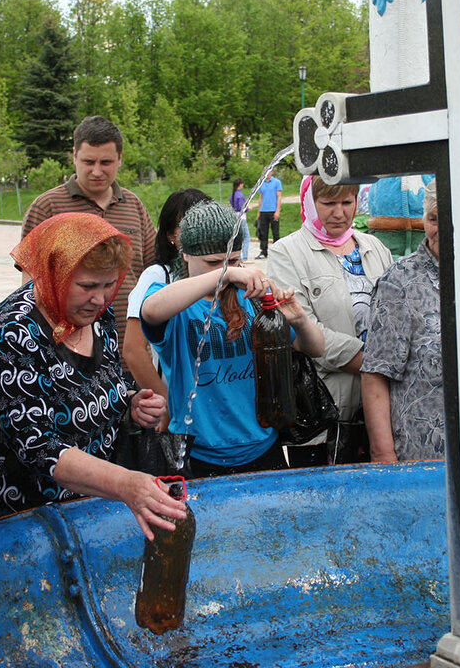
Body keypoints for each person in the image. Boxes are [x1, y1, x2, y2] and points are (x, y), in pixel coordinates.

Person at [0, 213, 187, 536]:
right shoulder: (12, 332)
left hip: (87, 498)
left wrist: (130, 401)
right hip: (20, 508)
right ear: (54, 275)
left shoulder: (97, 314)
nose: (100, 298)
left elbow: (105, 378)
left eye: (110, 284)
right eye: (86, 286)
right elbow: (37, 446)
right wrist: (124, 482)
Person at [141, 200, 325, 478]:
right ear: (186, 254)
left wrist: (298, 319)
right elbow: (151, 310)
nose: (227, 268)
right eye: (213, 262)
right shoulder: (175, 303)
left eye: (235, 259)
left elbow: (316, 348)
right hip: (197, 454)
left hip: (262, 447)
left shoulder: (250, 301)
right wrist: (225, 272)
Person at [268, 176, 393, 466]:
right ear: (309, 203)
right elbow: (299, 332)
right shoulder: (287, 253)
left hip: (383, 408)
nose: (339, 212)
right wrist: (376, 364)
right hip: (326, 411)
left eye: (347, 202)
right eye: (328, 203)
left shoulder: (375, 248)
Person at [21, 115, 156, 372]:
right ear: (74, 156)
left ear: (120, 159)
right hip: (70, 358)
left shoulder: (133, 205)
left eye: (105, 162)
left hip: (131, 353)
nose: (96, 171)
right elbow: (31, 288)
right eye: (88, 161)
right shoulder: (48, 206)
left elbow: (152, 272)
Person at [363, 180, 445, 462]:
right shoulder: (400, 283)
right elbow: (375, 374)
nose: (443, 229)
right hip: (422, 454)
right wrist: (384, 457)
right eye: (434, 219)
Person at [123, 188, 212, 398]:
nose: (198, 234)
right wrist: (166, 403)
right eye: (187, 227)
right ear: (171, 235)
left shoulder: (226, 274)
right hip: (179, 402)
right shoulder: (157, 277)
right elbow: (134, 350)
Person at [255, 168, 283, 259]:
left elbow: (279, 197)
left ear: (272, 172)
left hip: (273, 210)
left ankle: (276, 251)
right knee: (263, 233)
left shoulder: (276, 182)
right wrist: (258, 212)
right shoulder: (261, 183)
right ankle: (263, 251)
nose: (267, 173)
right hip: (263, 211)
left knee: (275, 232)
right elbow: (260, 198)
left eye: (269, 171)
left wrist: (277, 211)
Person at [229, 178, 251, 260]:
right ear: (240, 184)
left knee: (236, 237)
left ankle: (234, 256)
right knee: (246, 237)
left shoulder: (233, 195)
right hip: (241, 217)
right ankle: (244, 257)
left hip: (235, 216)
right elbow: (242, 208)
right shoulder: (240, 195)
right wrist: (248, 208)